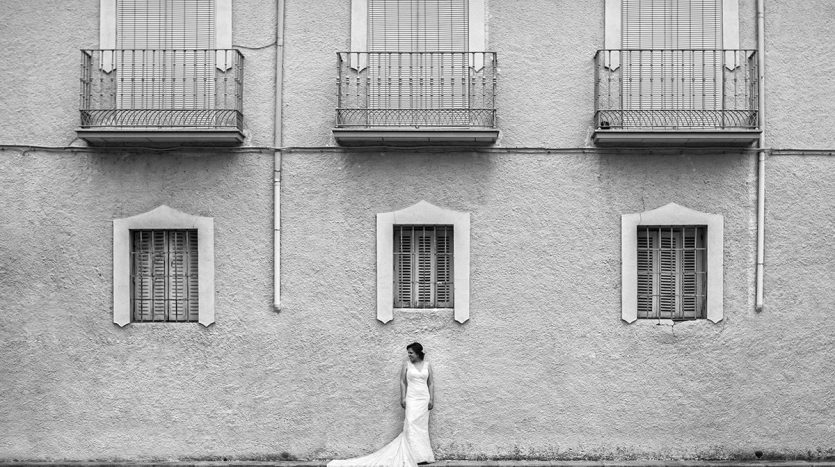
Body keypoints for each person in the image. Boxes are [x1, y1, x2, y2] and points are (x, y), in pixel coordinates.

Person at [328, 342, 435, 467]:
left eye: (411, 353)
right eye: (408, 353)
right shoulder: (406, 365)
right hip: (411, 398)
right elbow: (402, 382)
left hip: (423, 399)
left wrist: (431, 399)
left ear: (417, 353)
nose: (409, 355)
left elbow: (431, 383)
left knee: (421, 427)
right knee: (410, 424)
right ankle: (411, 455)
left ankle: (422, 456)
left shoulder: (427, 365)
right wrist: (403, 397)